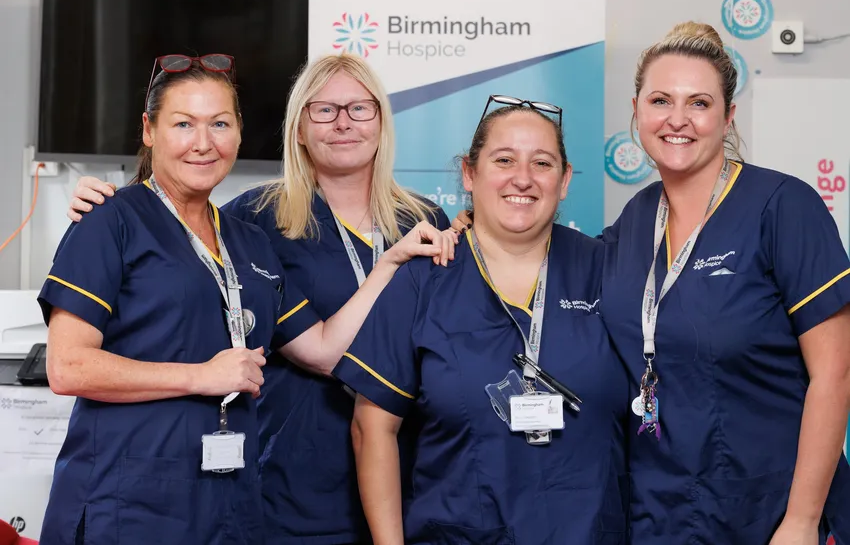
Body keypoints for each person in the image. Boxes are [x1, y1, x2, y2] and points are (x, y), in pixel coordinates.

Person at [40, 54, 452, 545]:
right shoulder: (111, 219)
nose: (203, 142)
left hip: (224, 496)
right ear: (148, 130)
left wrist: (390, 263)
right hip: (130, 497)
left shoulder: (245, 240)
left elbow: (324, 350)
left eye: (219, 124)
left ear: (239, 133)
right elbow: (67, 367)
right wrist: (202, 376)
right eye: (183, 124)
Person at [333, 96, 629, 544]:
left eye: (542, 163)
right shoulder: (424, 279)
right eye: (504, 160)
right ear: (469, 173)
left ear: (565, 180)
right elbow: (372, 428)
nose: (523, 178)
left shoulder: (607, 271)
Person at [599, 22, 850, 544]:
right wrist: (468, 227)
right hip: (658, 513)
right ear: (637, 110)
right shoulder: (634, 219)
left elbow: (835, 374)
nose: (677, 119)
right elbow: (540, 259)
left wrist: (802, 520)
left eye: (699, 103)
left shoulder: (783, 206)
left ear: (728, 115)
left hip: (769, 511)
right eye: (661, 100)